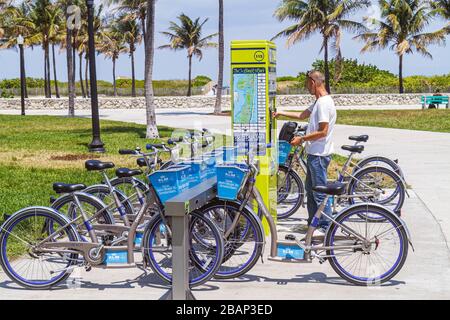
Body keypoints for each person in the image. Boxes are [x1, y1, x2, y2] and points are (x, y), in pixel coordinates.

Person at [273, 70, 336, 231]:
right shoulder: (320, 101)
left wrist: (302, 139)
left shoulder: (322, 104)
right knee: (310, 190)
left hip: (319, 156)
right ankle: (312, 225)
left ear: (314, 83)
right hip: (315, 154)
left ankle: (325, 228)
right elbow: (302, 115)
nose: (307, 88)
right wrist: (281, 113)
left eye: (308, 84)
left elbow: (323, 131)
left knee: (320, 193)